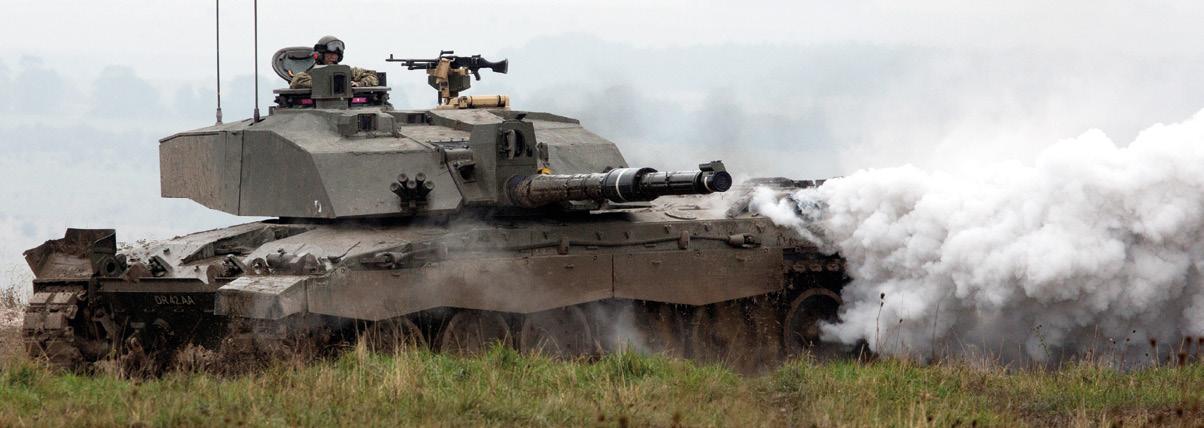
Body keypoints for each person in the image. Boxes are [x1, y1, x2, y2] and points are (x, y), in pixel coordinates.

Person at [289, 35, 379, 89]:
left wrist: (359, 84)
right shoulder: (310, 73)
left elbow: (373, 77)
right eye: (329, 54)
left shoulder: (347, 71)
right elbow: (296, 82)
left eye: (336, 54)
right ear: (320, 55)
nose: (333, 57)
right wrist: (331, 83)